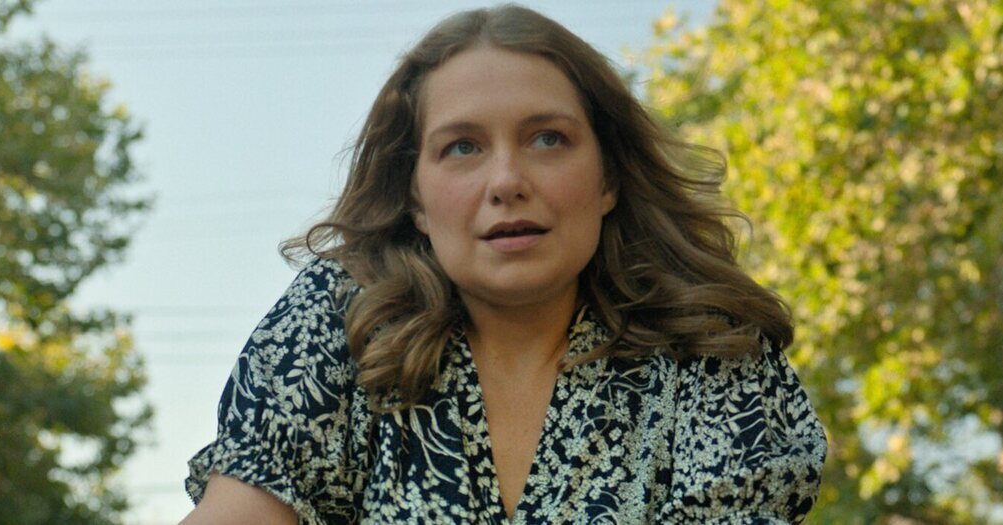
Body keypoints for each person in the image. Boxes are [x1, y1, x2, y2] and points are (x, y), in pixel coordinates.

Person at [181, 4, 826, 523]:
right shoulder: (341, 314)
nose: (507, 181)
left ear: (608, 178)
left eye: (548, 138)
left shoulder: (710, 347)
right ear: (417, 199)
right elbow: (245, 511)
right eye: (462, 147)